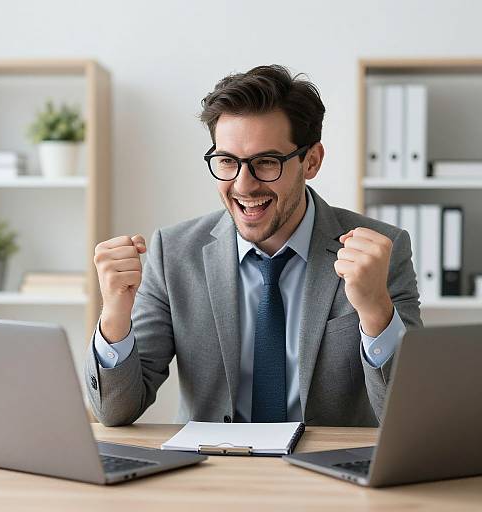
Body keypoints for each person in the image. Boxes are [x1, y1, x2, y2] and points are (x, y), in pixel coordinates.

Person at [85, 65, 421, 427]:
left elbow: (408, 417)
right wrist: (115, 314)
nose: (243, 186)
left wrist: (375, 313)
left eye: (266, 162)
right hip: (212, 470)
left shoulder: (381, 251)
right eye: (228, 161)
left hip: (327, 474)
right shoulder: (174, 252)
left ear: (311, 161)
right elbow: (114, 412)